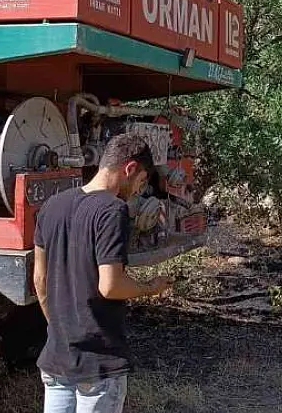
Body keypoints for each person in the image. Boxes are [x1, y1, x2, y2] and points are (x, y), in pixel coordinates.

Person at [33, 133, 175, 413]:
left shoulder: (52, 206)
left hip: (57, 356)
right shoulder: (112, 210)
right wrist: (151, 287)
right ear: (130, 169)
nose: (138, 190)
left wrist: (60, 329)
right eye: (142, 181)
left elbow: (40, 280)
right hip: (97, 362)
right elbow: (110, 286)